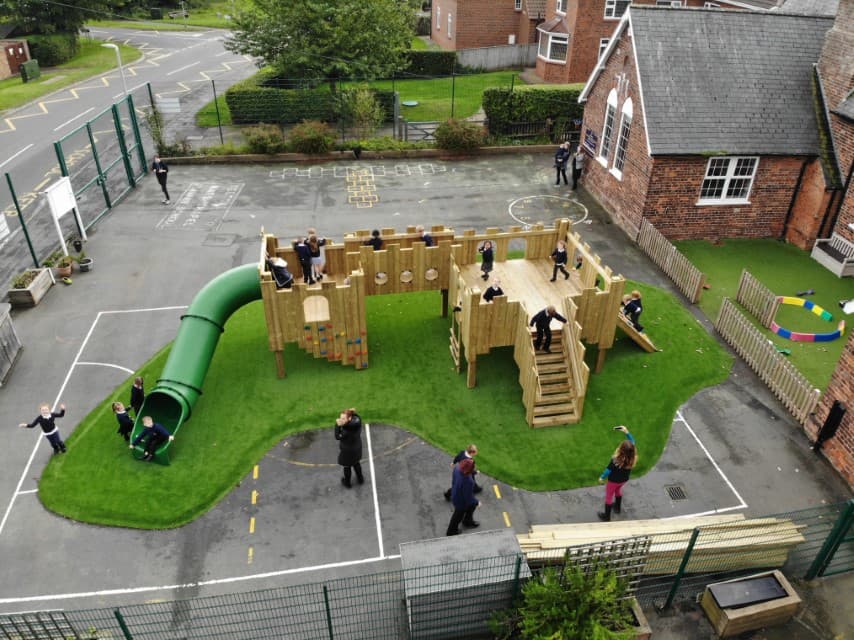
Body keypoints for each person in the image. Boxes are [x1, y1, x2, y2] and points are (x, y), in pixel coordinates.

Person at [597, 426, 637, 521]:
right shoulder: (632, 457)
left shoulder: (616, 460)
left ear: (621, 449)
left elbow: (608, 471)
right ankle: (617, 508)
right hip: (624, 480)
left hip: (613, 481)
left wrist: (601, 478)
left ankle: (607, 517)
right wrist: (627, 432)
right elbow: (633, 442)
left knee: (609, 496)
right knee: (618, 490)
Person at [446, 458, 480, 535]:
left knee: (471, 506)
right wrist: (477, 502)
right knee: (458, 514)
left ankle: (467, 521)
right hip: (460, 500)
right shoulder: (468, 482)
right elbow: (468, 497)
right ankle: (451, 531)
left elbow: (465, 472)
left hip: (455, 491)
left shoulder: (457, 468)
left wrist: (474, 472)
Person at [335, 408, 364, 488]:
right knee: (356, 463)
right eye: (341, 418)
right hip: (357, 448)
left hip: (348, 452)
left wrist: (337, 425)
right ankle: (360, 479)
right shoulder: (358, 420)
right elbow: (356, 416)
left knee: (347, 466)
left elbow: (337, 436)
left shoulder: (346, 430)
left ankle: (347, 483)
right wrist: (353, 413)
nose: (341, 420)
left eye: (343, 418)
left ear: (349, 418)